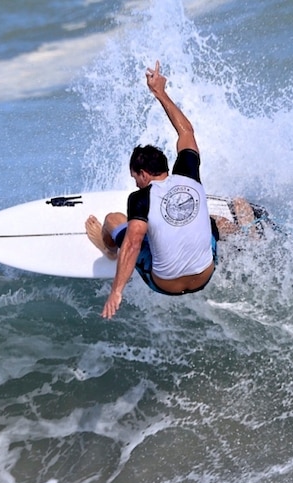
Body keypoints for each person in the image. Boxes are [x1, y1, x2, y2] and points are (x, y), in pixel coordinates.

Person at [85, 61, 219, 319]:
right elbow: (186, 131)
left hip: (165, 284)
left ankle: (109, 248)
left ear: (143, 174)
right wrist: (160, 92)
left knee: (114, 220)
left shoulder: (140, 198)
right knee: (211, 221)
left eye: (135, 177)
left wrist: (116, 291)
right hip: (206, 275)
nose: (135, 182)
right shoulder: (190, 174)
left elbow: (134, 243)